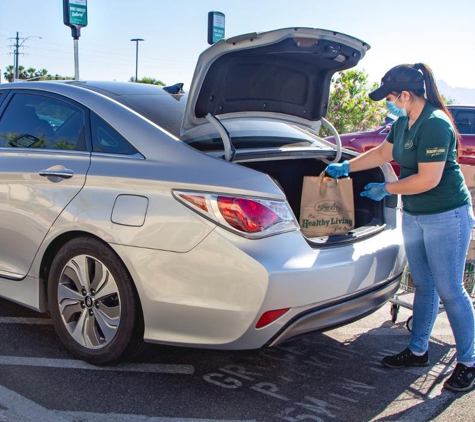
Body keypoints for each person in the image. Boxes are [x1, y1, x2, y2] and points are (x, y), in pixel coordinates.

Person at [325, 63, 475, 393]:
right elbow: (382, 151)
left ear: (406, 95)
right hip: (417, 215)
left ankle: (469, 362)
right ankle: (418, 350)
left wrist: (386, 189)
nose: (389, 103)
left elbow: (428, 179)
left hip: (446, 215)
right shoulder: (405, 121)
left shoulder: (435, 124)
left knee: (450, 289)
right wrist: (346, 166)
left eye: (391, 97)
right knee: (423, 284)